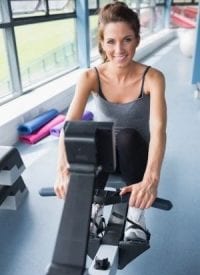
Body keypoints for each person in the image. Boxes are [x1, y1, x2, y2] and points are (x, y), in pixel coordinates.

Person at [54, 1, 167, 241]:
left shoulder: (153, 78)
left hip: (135, 154)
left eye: (127, 39)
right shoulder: (89, 77)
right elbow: (69, 126)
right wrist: (62, 170)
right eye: (111, 42)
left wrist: (151, 180)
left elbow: (158, 131)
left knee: (125, 136)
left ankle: (135, 215)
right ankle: (95, 210)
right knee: (91, 133)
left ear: (137, 39)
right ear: (102, 44)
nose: (119, 49)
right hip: (103, 158)